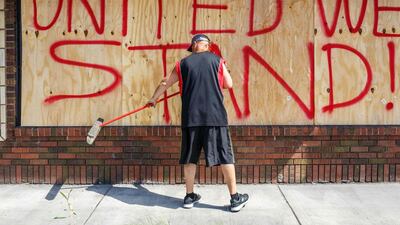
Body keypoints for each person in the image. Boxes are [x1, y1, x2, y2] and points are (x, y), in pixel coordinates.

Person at [147, 34, 249, 212]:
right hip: (215, 117)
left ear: (194, 46)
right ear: (205, 45)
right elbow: (229, 84)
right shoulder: (217, 60)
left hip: (191, 118)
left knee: (190, 157)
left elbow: (165, 82)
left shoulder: (182, 64)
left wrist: (154, 98)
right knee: (225, 156)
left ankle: (189, 196)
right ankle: (234, 198)